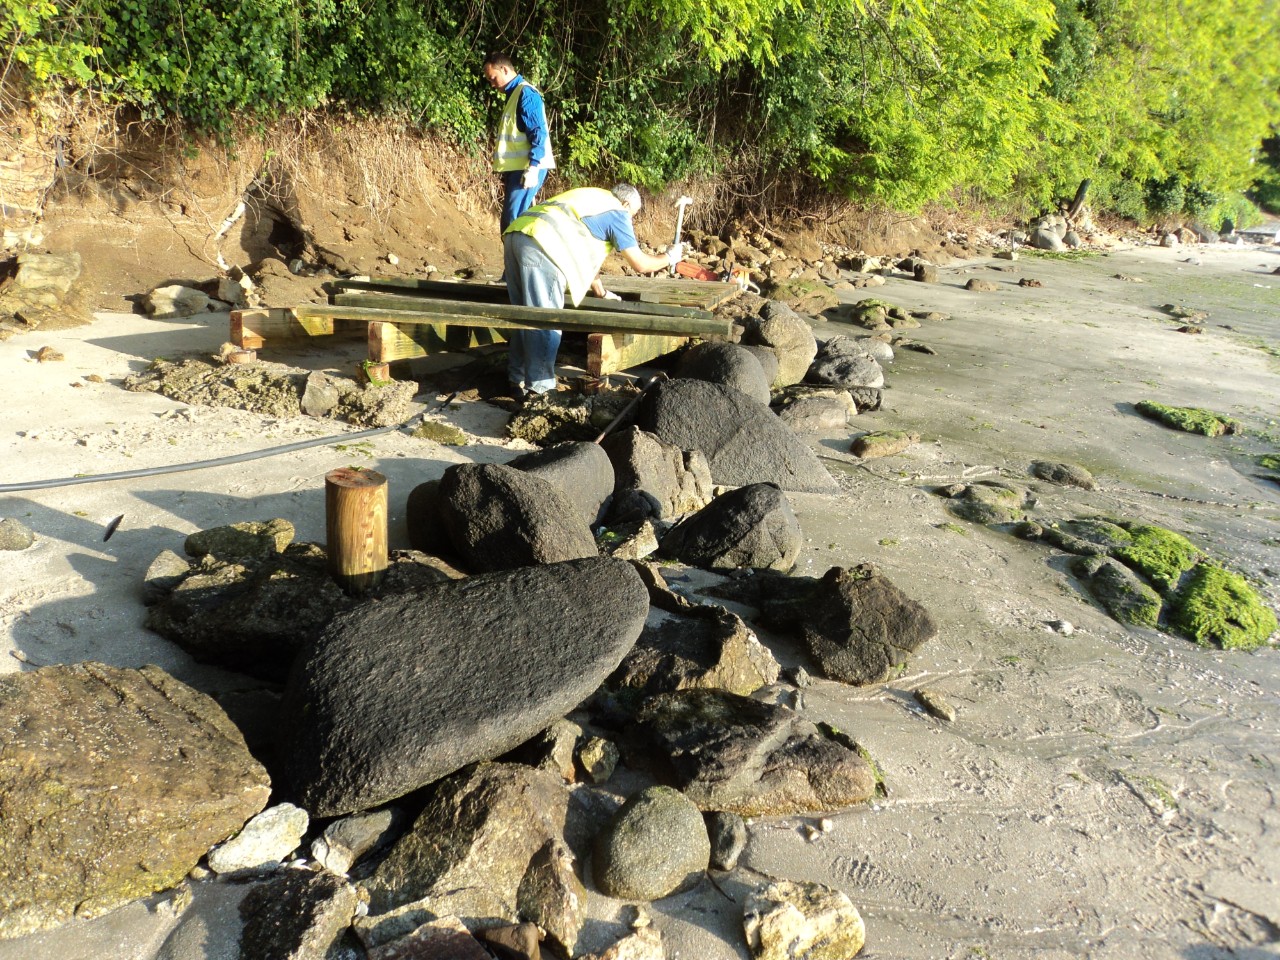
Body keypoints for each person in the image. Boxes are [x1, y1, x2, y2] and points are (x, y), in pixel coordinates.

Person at [502, 183, 683, 397]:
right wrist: (669, 257)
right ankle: (540, 391)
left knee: (525, 316)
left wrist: (601, 292)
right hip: (543, 245)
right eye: (632, 215)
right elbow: (641, 264)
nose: (630, 220)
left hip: (517, 235)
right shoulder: (617, 212)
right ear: (626, 204)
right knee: (546, 321)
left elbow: (586, 254)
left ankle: (516, 381)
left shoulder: (593, 198)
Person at [482, 52, 555, 232]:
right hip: (520, 168)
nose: (492, 84)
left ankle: (515, 251)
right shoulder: (514, 94)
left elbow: (538, 132)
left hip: (527, 168)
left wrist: (533, 167)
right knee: (514, 222)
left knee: (512, 223)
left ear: (504, 70)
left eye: (493, 78)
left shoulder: (526, 94)